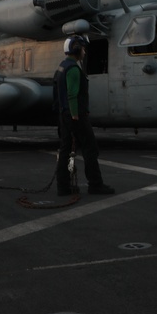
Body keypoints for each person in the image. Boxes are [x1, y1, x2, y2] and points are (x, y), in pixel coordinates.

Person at [54, 35, 114, 196]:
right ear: (76, 49)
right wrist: (75, 115)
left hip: (64, 114)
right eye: (83, 48)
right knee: (90, 149)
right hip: (76, 115)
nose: (85, 52)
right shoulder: (73, 69)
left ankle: (63, 187)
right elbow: (72, 94)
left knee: (65, 150)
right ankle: (95, 185)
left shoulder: (62, 66)